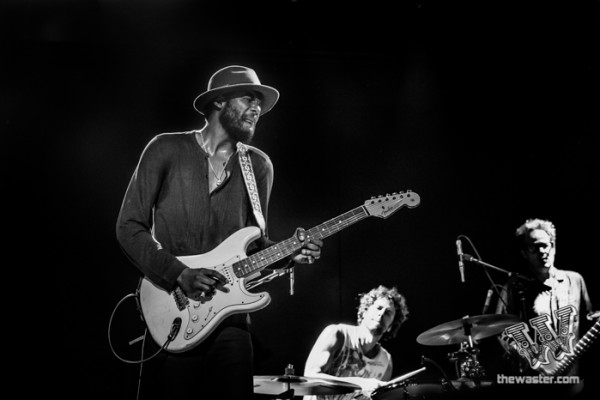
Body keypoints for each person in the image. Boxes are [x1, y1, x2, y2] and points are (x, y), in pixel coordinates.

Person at [115, 65, 323, 400]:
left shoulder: (259, 166)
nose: (257, 107)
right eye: (248, 98)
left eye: (260, 101)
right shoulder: (165, 148)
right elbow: (129, 226)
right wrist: (178, 273)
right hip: (173, 312)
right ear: (218, 103)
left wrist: (289, 255)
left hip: (231, 324)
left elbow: (254, 248)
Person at [494, 218, 598, 396]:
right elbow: (501, 329)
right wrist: (523, 354)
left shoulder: (575, 280)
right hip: (532, 380)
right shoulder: (514, 286)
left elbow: (590, 318)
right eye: (534, 247)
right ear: (524, 253)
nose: (542, 251)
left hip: (572, 379)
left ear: (553, 246)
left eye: (546, 245)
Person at [303, 285, 409, 400]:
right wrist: (361, 383)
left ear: (391, 326)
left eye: (388, 312)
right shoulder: (338, 334)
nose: (382, 313)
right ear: (365, 311)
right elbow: (311, 376)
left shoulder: (386, 362)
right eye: (378, 308)